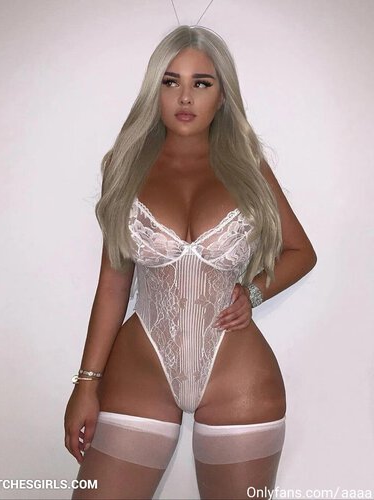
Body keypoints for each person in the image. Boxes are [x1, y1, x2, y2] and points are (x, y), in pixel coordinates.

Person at [64, 25, 317, 500]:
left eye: (201, 83)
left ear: (222, 96)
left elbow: (301, 253)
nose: (185, 97)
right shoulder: (125, 165)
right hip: (141, 369)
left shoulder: (249, 167)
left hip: (238, 375)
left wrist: (255, 291)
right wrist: (85, 384)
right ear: (154, 90)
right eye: (170, 81)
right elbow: (113, 283)